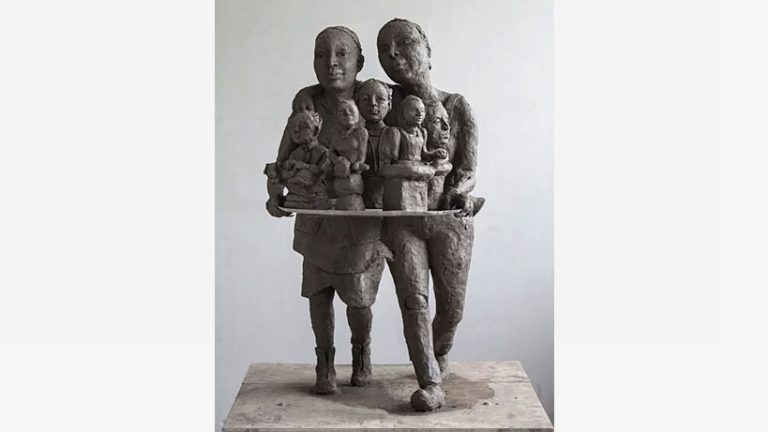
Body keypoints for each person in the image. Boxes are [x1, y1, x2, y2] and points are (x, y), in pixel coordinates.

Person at [265, 26, 389, 394]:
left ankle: (362, 355)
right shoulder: (306, 108)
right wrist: (275, 193)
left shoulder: (373, 98)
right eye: (321, 55)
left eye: (341, 54)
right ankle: (325, 363)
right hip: (317, 219)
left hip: (358, 219)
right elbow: (281, 161)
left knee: (358, 297)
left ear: (360, 62)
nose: (331, 63)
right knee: (319, 294)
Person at [376, 18, 483, 411]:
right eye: (384, 49)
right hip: (403, 219)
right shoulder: (383, 103)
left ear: (427, 49)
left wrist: (459, 191)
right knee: (414, 302)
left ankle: (438, 353)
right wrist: (305, 96)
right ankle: (430, 381)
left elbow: (468, 169)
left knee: (451, 309)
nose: (393, 54)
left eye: (403, 43)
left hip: (448, 218)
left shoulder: (458, 107)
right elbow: (335, 93)